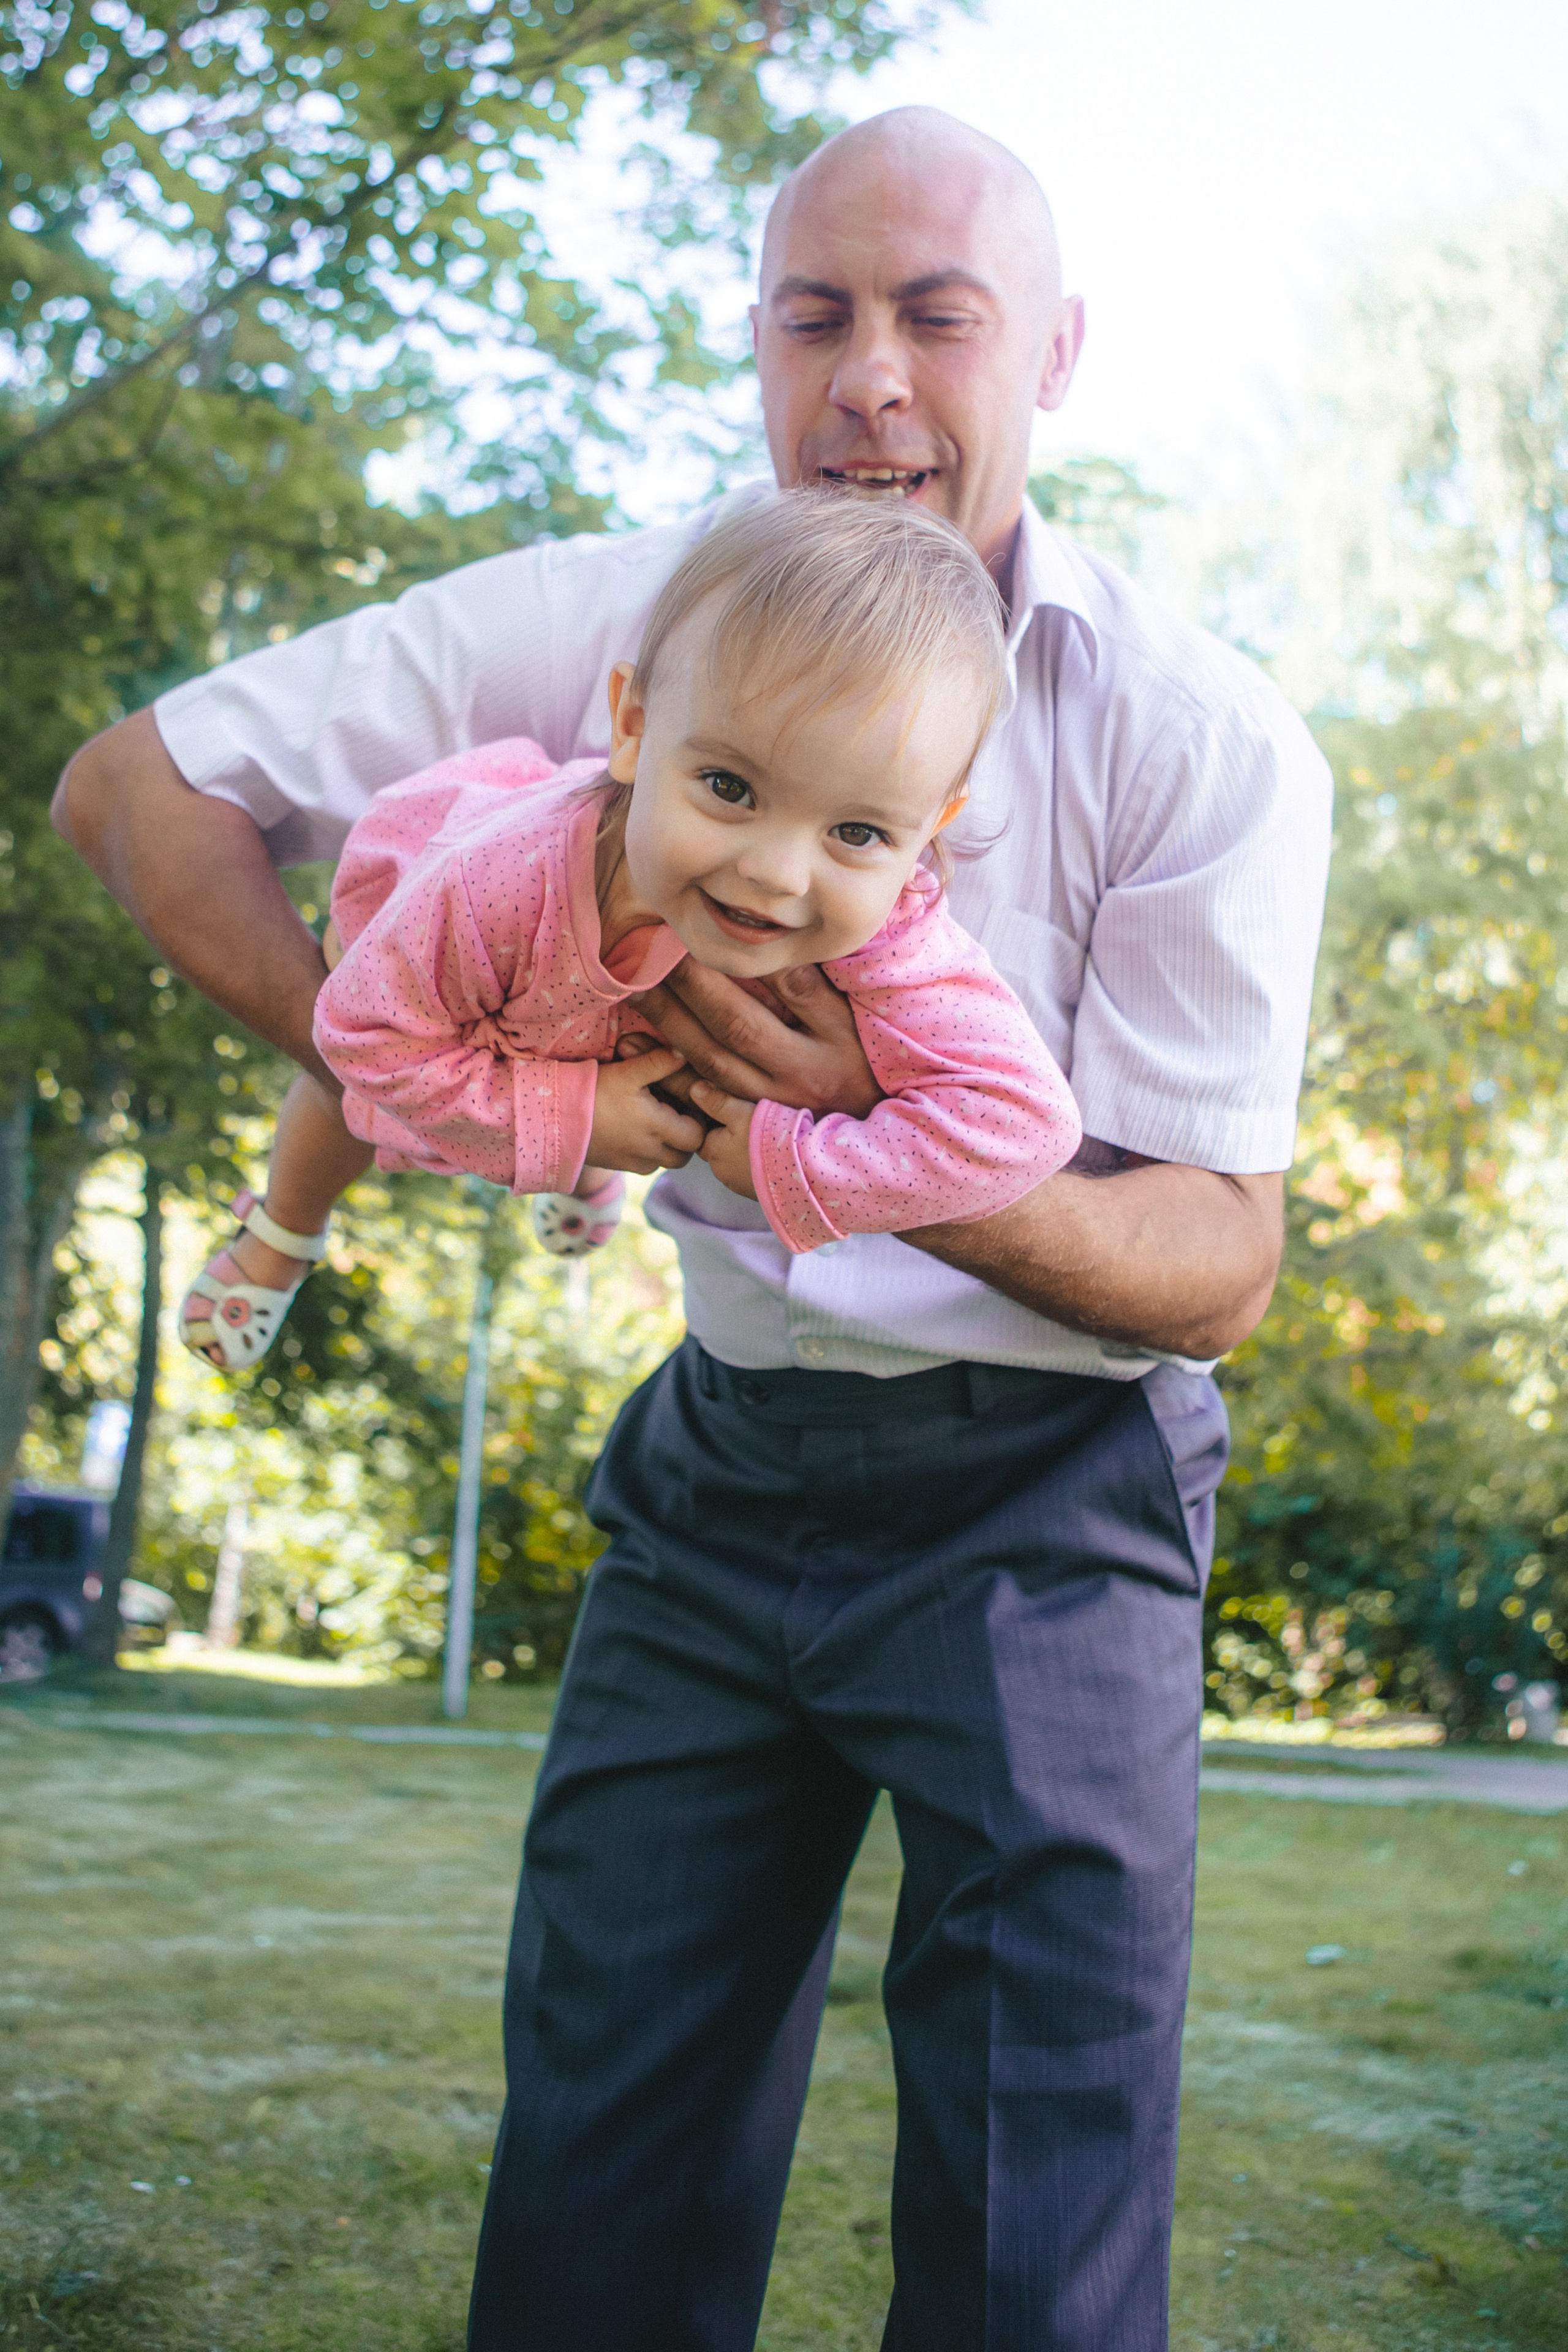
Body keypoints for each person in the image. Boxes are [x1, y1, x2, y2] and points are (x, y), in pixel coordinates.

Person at [55, 105, 1332, 2352]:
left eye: (941, 318)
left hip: (1058, 1496)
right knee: (601, 2180)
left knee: (1041, 2223)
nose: (871, 377)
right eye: (813, 312)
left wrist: (829, 1139)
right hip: (722, 1469)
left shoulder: (1207, 738)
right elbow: (139, 792)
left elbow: (1219, 1260)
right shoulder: (613, 618)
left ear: (1053, 355)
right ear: (753, 338)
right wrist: (492, 1100)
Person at [177, 494, 1081, 1369]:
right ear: (636, 731)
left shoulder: (891, 922)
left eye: (857, 831)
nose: (775, 874)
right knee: (350, 1097)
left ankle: (576, 1163)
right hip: (468, 986)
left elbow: (1028, 1124)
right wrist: (572, 1120)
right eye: (730, 787)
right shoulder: (495, 879)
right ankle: (283, 1230)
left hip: (609, 1031)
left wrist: (805, 1164)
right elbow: (359, 1036)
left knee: (606, 1079)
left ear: (928, 828)